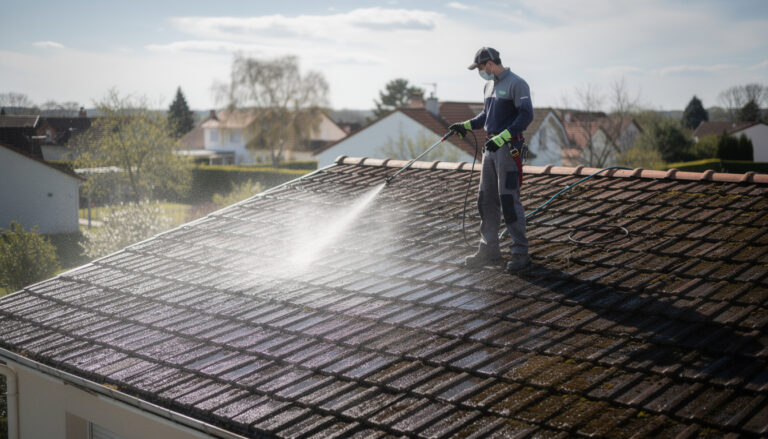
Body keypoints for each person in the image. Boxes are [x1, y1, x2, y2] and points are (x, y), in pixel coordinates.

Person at [449, 47, 533, 272]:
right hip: (490, 149)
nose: (479, 72)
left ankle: (519, 252)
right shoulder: (488, 86)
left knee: (508, 200)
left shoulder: (517, 83)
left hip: (508, 148)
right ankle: (489, 249)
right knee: (485, 199)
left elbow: (526, 115)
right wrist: (465, 125)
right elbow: (486, 116)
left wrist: (503, 137)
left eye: (479, 67)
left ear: (489, 64)